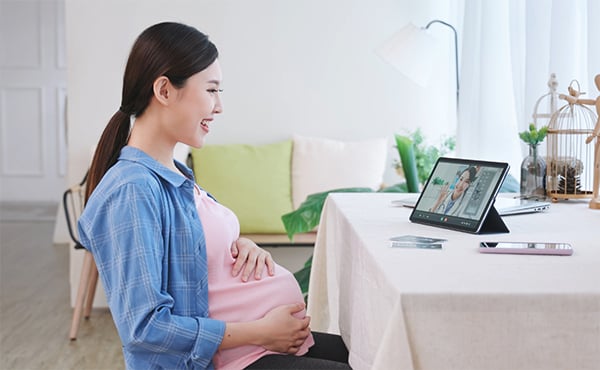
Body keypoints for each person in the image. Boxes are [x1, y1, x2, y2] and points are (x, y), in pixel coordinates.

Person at [78, 22, 350, 370]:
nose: (219, 106)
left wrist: (238, 246)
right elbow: (144, 328)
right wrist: (260, 332)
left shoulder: (175, 174)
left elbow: (195, 260)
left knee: (377, 353)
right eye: (211, 90)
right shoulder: (132, 189)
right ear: (164, 90)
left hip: (258, 347)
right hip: (228, 357)